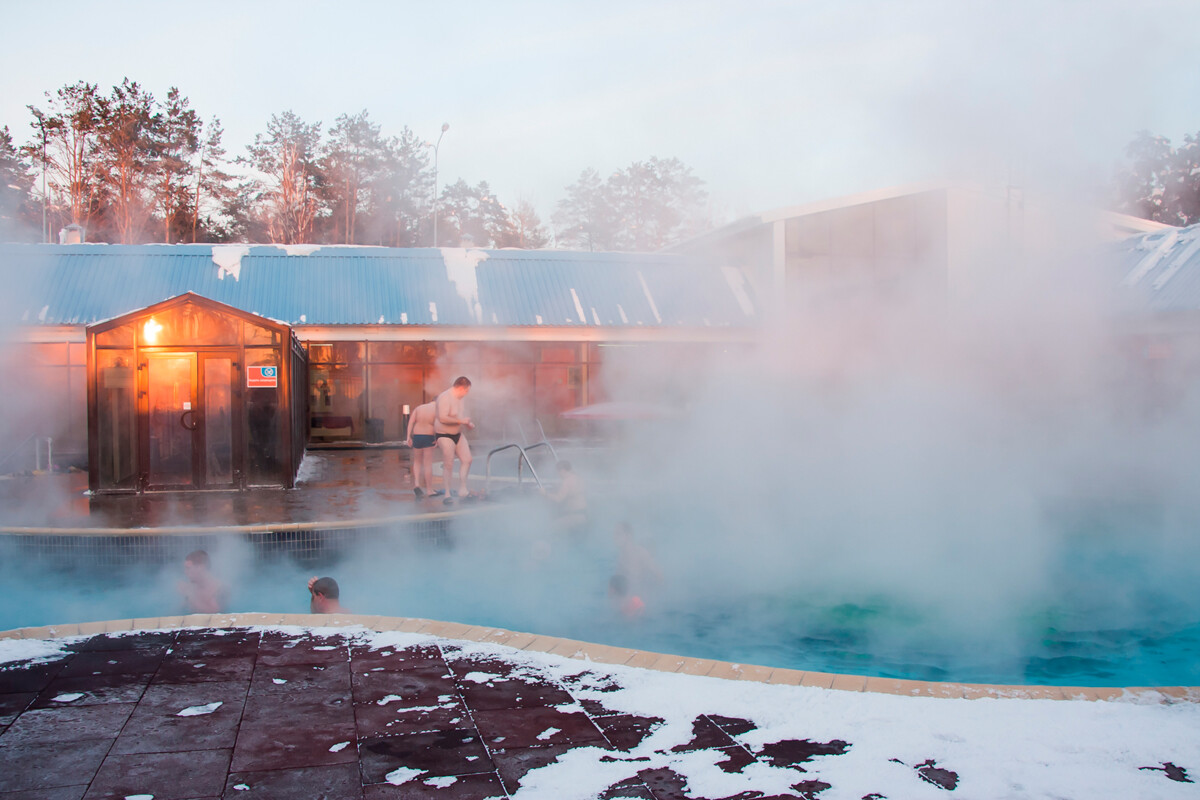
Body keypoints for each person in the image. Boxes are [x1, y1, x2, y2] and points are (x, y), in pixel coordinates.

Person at [434, 376, 476, 504]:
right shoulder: (445, 397)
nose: (467, 393)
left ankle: (463, 489)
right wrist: (460, 421)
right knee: (449, 463)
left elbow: (459, 416)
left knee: (467, 460)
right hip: (444, 434)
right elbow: (442, 418)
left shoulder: (460, 399)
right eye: (466, 391)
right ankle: (447, 493)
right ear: (461, 388)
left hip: (458, 434)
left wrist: (467, 424)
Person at [543, 460, 588, 531]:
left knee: (551, 528)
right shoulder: (578, 477)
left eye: (558, 472)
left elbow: (558, 499)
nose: (558, 475)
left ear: (562, 470)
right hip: (583, 515)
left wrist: (545, 494)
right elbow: (573, 492)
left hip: (575, 516)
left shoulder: (567, 481)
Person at [178, 550, 227, 614]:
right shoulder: (193, 587)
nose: (185, 572)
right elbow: (181, 609)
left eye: (188, 568)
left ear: (200, 568)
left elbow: (216, 613)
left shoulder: (219, 589)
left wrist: (189, 595)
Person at [405, 401, 437, 499]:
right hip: (428, 436)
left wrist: (408, 437)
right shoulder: (437, 409)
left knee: (417, 461)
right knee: (427, 463)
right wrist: (438, 438)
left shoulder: (419, 408)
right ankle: (429, 489)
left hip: (417, 436)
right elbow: (438, 425)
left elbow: (411, 421)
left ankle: (417, 484)